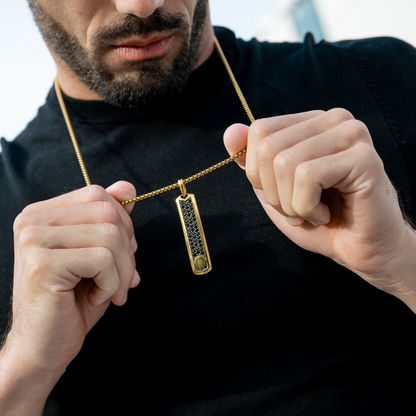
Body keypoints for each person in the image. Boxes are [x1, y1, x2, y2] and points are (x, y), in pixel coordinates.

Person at [1, 0, 416, 414]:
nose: (143, 6)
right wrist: (24, 370)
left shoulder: (382, 79)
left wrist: (400, 258)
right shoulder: (10, 200)